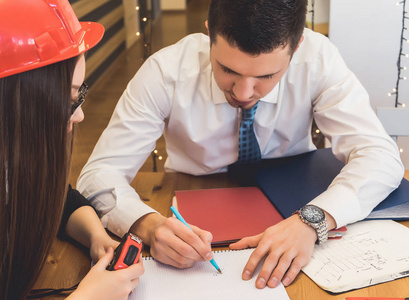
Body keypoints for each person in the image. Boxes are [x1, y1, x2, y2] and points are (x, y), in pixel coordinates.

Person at [77, 0, 404, 290]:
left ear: (297, 45)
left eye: (267, 76)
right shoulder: (165, 71)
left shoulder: (318, 59)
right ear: (209, 34)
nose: (245, 92)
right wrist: (146, 224)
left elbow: (379, 155)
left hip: (296, 197)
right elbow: (99, 174)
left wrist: (313, 219)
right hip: (192, 200)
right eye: (227, 69)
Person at [0, 1, 143, 299]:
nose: (80, 114)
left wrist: (96, 235)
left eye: (80, 93)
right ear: (15, 101)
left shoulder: (3, 159)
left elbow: (57, 199)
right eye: (70, 98)